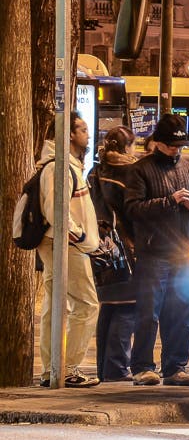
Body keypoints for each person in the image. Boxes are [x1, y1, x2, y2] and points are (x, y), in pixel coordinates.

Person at [124, 113, 189, 386]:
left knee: (182, 311)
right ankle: (142, 366)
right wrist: (170, 201)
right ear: (157, 142)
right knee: (148, 312)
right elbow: (132, 209)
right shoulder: (140, 170)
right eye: (170, 146)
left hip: (184, 250)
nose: (175, 151)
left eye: (179, 147)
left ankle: (175, 366)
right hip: (153, 252)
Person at [37, 111, 101, 388]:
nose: (87, 134)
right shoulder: (59, 167)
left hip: (60, 241)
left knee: (55, 306)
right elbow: (57, 210)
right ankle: (67, 368)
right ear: (69, 134)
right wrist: (81, 235)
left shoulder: (65, 164)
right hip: (64, 243)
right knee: (86, 305)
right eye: (83, 129)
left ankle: (53, 369)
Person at [88, 125, 138, 382]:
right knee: (127, 307)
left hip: (100, 247)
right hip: (123, 249)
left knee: (108, 307)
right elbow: (132, 214)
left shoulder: (95, 171)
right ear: (127, 147)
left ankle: (103, 368)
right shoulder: (128, 173)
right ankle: (117, 368)